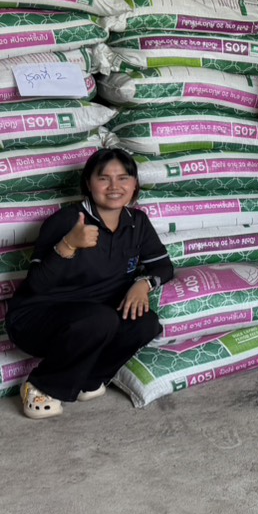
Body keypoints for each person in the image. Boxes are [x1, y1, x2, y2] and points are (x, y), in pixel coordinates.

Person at [9, 149, 174, 419]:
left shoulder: (137, 223)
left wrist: (143, 284)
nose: (114, 187)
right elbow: (37, 285)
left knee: (145, 323)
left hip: (95, 317)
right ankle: (40, 386)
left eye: (123, 178)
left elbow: (163, 266)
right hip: (37, 318)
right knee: (101, 319)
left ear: (134, 185)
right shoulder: (66, 221)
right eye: (104, 179)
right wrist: (68, 245)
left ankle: (89, 379)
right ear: (88, 183)